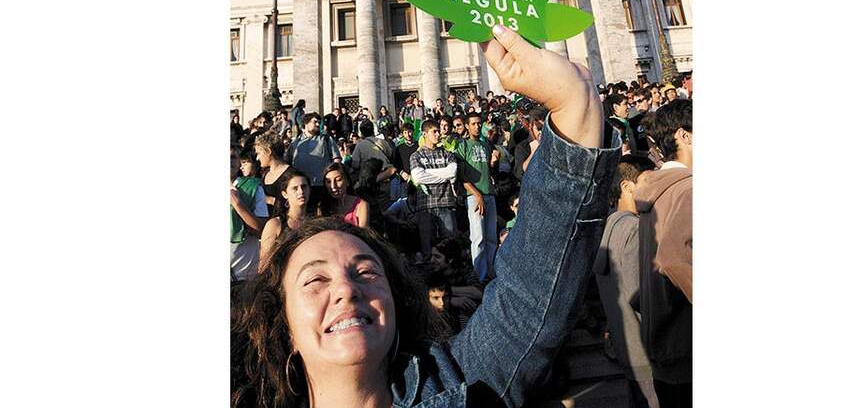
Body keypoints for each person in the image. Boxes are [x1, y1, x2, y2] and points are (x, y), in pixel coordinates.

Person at [232, 23, 618, 408]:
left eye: (366, 271)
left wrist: (573, 104)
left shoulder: (458, 385)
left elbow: (530, 299)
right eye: (315, 279)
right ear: (282, 322)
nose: (346, 290)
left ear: (398, 301)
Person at [635, 99, 693, 407]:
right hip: (686, 345)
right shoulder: (688, 189)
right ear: (685, 136)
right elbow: (672, 259)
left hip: (664, 342)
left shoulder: (657, 190)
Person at [594, 154, 659, 408]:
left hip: (628, 346)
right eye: (647, 180)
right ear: (626, 186)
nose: (653, 188)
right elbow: (639, 294)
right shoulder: (633, 229)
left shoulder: (610, 223)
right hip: (646, 348)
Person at [455, 112, 498, 282]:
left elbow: (488, 170)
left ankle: (491, 275)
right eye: (473, 124)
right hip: (474, 196)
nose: (477, 126)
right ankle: (479, 278)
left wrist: (493, 162)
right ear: (467, 125)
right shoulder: (463, 145)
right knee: (478, 237)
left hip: (490, 193)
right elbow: (461, 177)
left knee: (491, 238)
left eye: (479, 123)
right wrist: (477, 194)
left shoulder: (486, 145)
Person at [409, 119, 459, 260]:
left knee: (450, 247)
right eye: (434, 131)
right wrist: (444, 176)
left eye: (439, 131)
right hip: (425, 206)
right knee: (427, 248)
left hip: (446, 203)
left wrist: (428, 173)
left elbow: (452, 173)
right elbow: (418, 178)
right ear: (425, 134)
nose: (438, 134)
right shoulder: (416, 155)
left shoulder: (447, 153)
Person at [284, 112, 342, 212]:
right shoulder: (295, 143)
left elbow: (336, 159)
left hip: (322, 186)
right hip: (303, 187)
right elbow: (287, 163)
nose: (318, 125)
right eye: (315, 122)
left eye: (319, 122)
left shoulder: (326, 139)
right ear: (306, 123)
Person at [258, 171, 310, 271]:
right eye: (295, 188)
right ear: (285, 194)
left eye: (304, 187)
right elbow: (263, 266)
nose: (301, 191)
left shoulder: (315, 222)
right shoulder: (275, 225)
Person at [230, 146, 268, 282]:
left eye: (232, 157)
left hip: (243, 275)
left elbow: (260, 231)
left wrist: (237, 204)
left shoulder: (253, 187)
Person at [254, 132, 297, 218]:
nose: (257, 158)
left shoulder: (292, 175)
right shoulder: (263, 173)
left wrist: (269, 200)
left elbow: (296, 203)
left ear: (269, 151)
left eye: (259, 153)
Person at [321, 161, 369, 228]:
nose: (333, 186)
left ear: (348, 182)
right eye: (328, 182)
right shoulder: (322, 206)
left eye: (338, 180)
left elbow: (363, 233)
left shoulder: (361, 205)